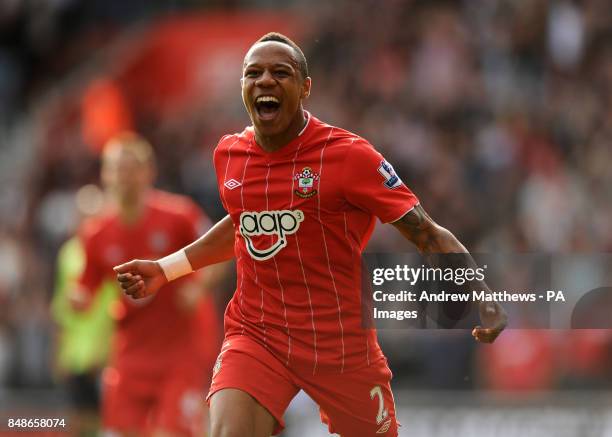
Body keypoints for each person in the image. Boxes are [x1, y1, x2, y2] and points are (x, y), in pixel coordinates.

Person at [114, 33, 507, 437]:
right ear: (243, 88)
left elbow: (425, 232)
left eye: (280, 72)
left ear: (305, 88)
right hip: (257, 334)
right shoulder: (229, 155)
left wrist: (483, 294)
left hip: (338, 344)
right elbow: (242, 222)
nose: (265, 80)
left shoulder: (348, 156)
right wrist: (166, 268)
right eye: (254, 73)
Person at [72, 132, 221, 437]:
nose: (124, 176)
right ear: (105, 174)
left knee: (173, 431)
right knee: (120, 431)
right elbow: (86, 284)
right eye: (117, 168)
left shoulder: (178, 216)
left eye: (131, 168)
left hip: (182, 349)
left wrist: (198, 287)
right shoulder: (96, 233)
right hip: (132, 353)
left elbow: (221, 252)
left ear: (148, 172)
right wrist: (78, 298)